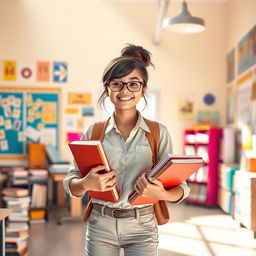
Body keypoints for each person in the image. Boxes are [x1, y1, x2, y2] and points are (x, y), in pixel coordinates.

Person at [63, 44, 190, 256]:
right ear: (107, 88)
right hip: (100, 224)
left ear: (143, 89)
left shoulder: (158, 133)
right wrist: (86, 183)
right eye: (117, 84)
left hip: (143, 225)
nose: (124, 91)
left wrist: (161, 193)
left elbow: (181, 188)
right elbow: (71, 185)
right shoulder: (93, 132)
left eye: (133, 84)